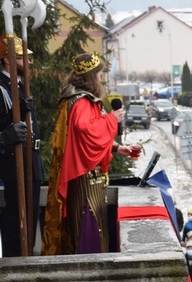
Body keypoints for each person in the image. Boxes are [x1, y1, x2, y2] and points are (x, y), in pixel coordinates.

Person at [43, 52, 141, 255]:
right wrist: (112, 119)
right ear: (90, 76)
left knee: (93, 228)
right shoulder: (82, 101)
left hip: (90, 178)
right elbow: (85, 130)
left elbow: (83, 138)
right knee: (90, 230)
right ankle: (92, 279)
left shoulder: (78, 98)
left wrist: (117, 147)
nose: (101, 78)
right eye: (99, 74)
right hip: (86, 179)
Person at [0, 35, 41, 258]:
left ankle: (26, 266)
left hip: (30, 161)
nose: (29, 63)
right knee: (16, 223)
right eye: (23, 58)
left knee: (30, 219)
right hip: (13, 164)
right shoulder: (1, 87)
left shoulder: (20, 85)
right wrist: (7, 129)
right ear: (7, 59)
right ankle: (15, 271)